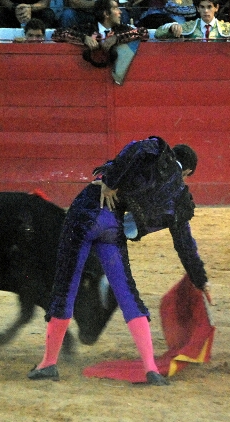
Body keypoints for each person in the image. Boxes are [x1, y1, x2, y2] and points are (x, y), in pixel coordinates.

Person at [27, 136, 209, 385]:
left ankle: (48, 363)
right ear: (186, 171)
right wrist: (200, 279)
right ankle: (151, 369)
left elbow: (136, 149)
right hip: (113, 224)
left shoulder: (157, 149)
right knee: (128, 294)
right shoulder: (177, 194)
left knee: (65, 288)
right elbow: (184, 242)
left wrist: (110, 182)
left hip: (85, 212)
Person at [52, 0, 148, 68]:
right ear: (106, 13)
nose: (120, 12)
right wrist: (84, 38)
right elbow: (57, 34)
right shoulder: (87, 29)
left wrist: (117, 38)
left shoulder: (122, 29)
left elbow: (143, 32)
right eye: (115, 8)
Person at [154, 0, 230, 48]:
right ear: (198, 9)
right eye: (202, 7)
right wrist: (172, 27)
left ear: (216, 8)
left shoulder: (225, 27)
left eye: (209, 7)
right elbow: (158, 33)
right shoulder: (189, 26)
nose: (206, 11)